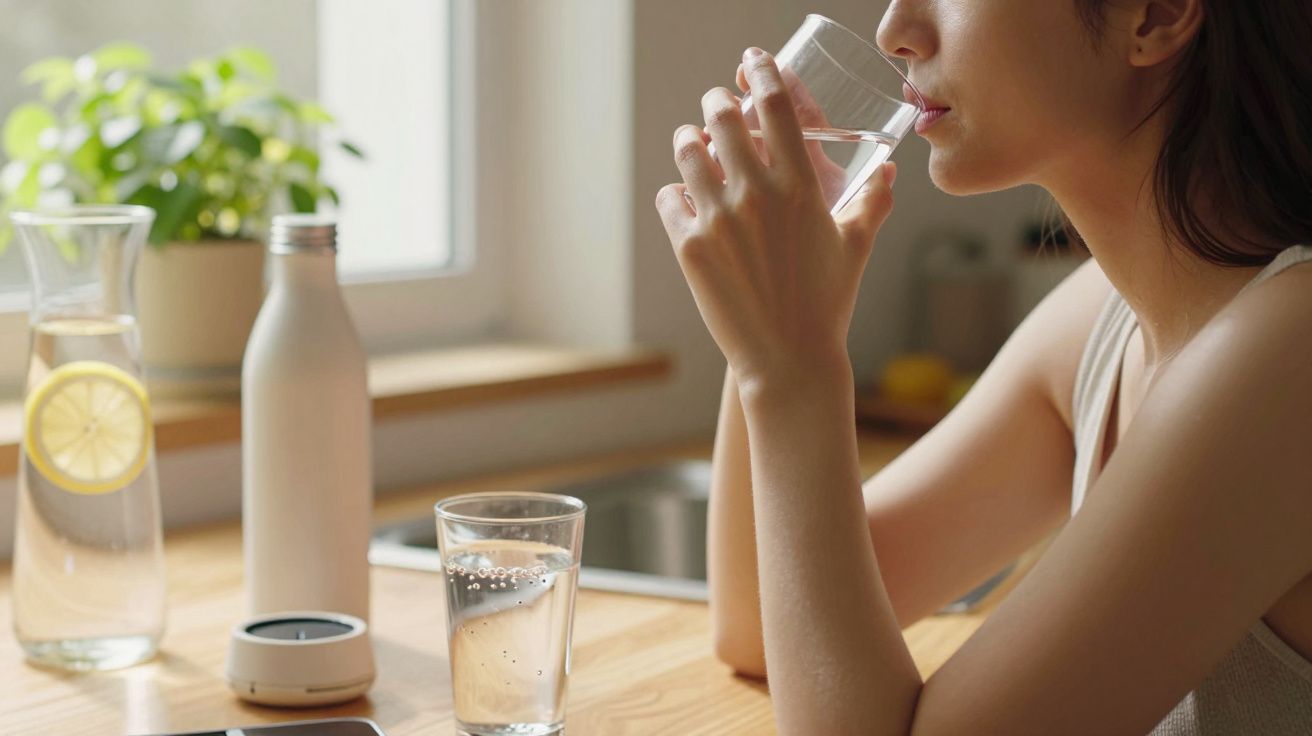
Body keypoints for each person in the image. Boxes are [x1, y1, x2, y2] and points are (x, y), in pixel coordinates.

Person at [654, 0, 1312, 733]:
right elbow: (757, 620)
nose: (895, 30)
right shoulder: (1104, 320)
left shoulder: (1292, 355)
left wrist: (788, 370)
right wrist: (770, 285)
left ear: (1154, 15)